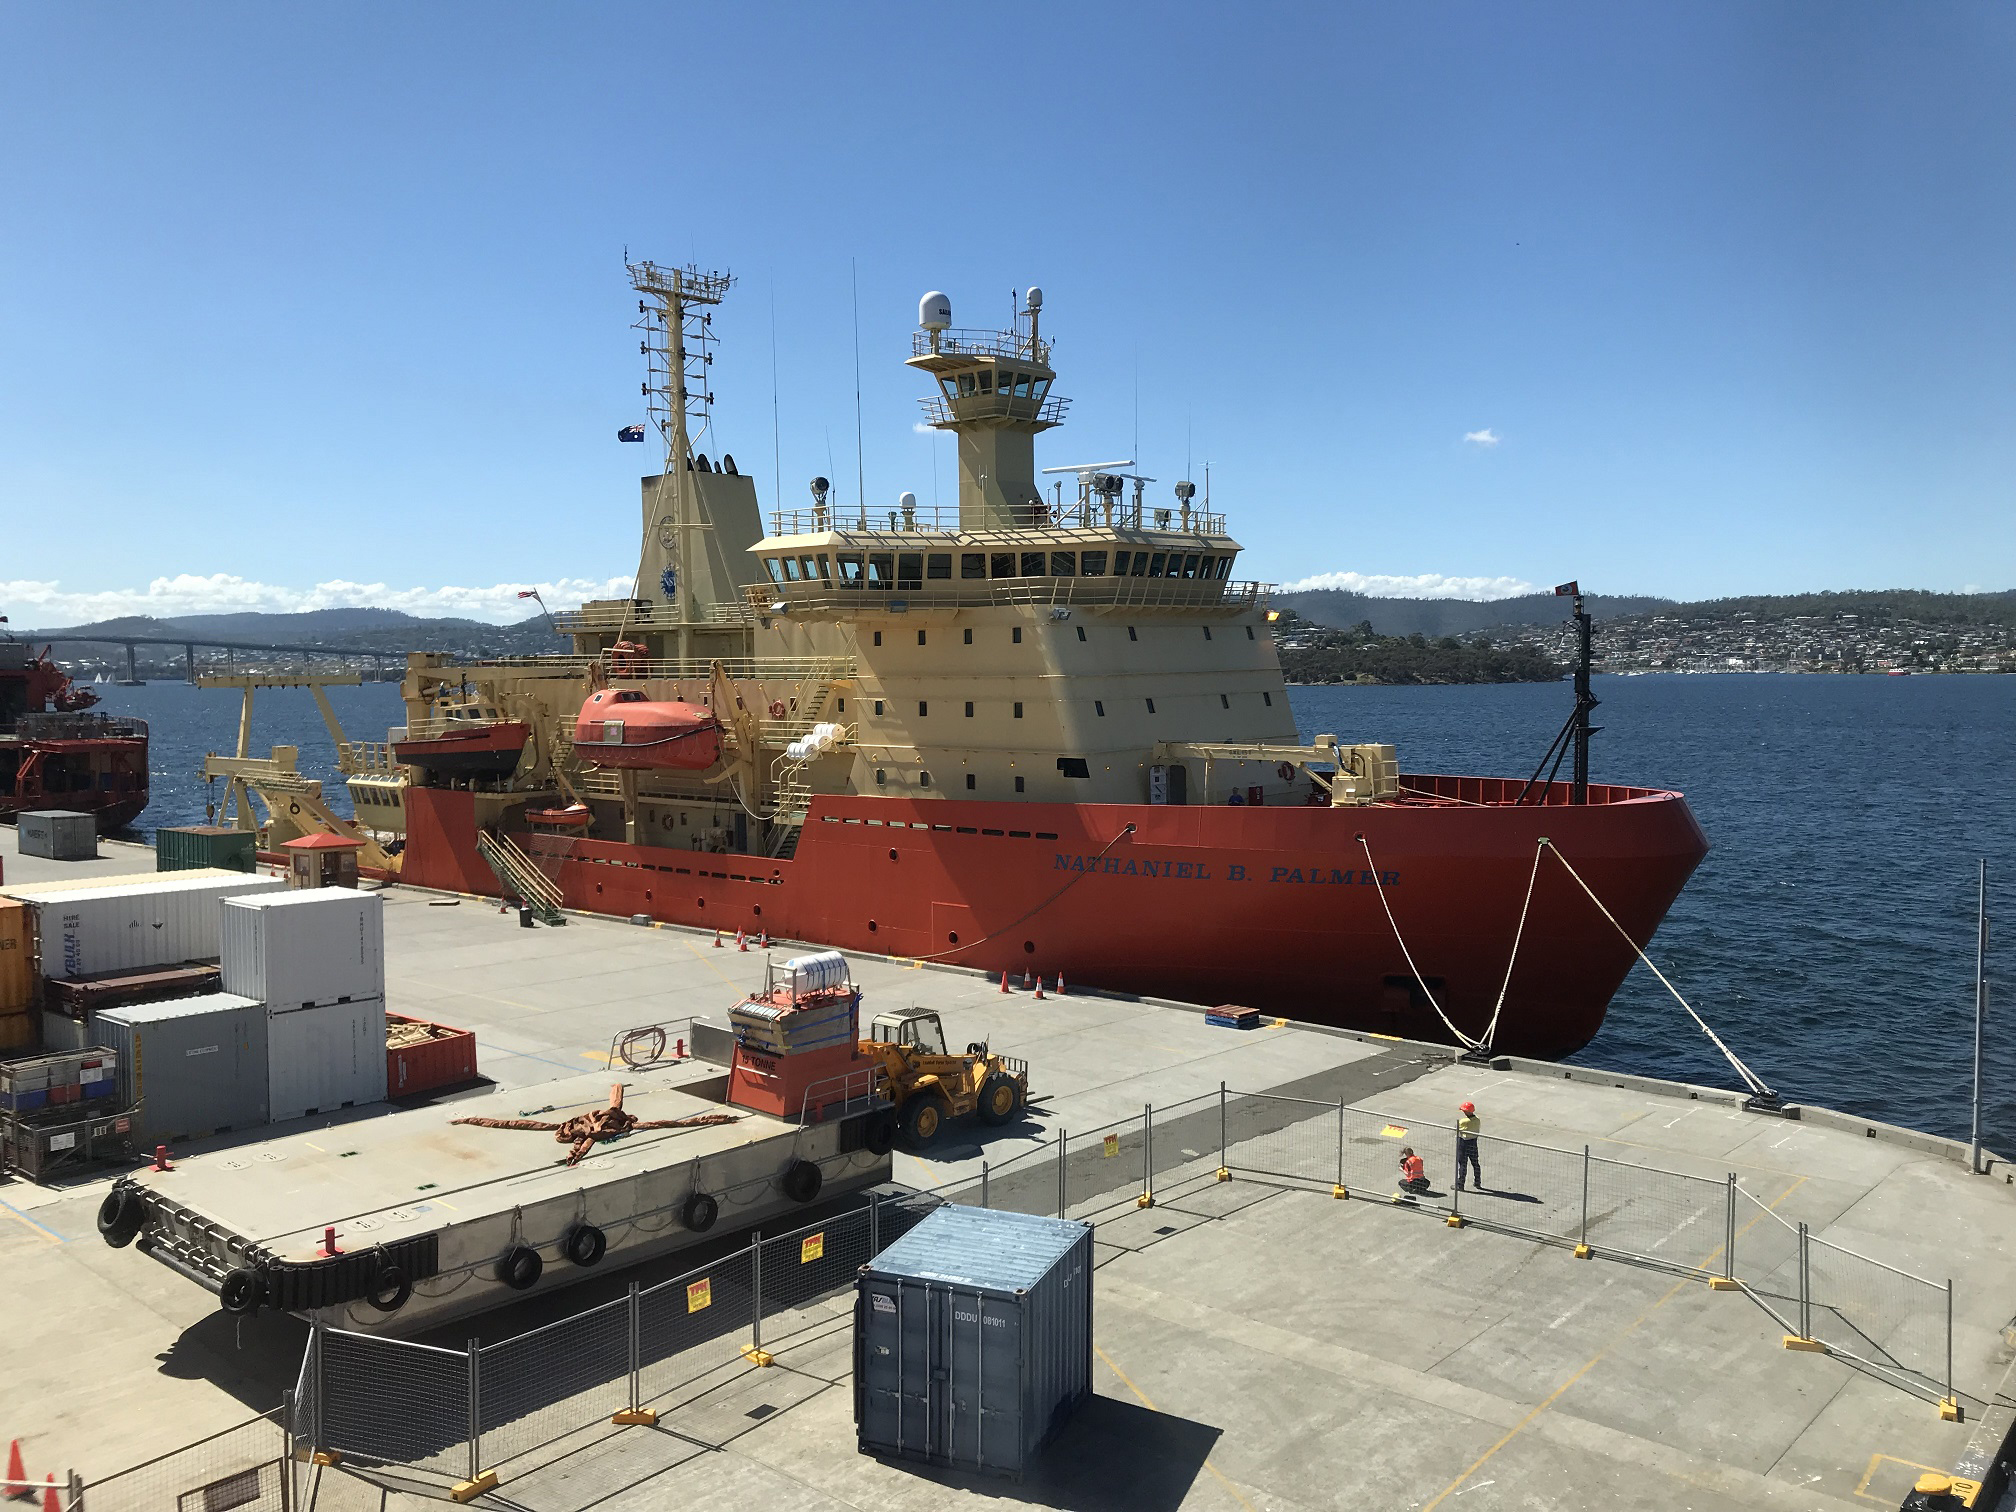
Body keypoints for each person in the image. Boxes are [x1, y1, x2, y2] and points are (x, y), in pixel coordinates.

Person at [1455, 1100, 1483, 1192]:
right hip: (1473, 1142)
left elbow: (1457, 1129)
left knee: (1463, 1164)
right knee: (1475, 1163)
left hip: (1464, 1143)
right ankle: (1477, 1181)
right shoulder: (1477, 1120)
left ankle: (1460, 1184)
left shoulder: (1463, 1121)